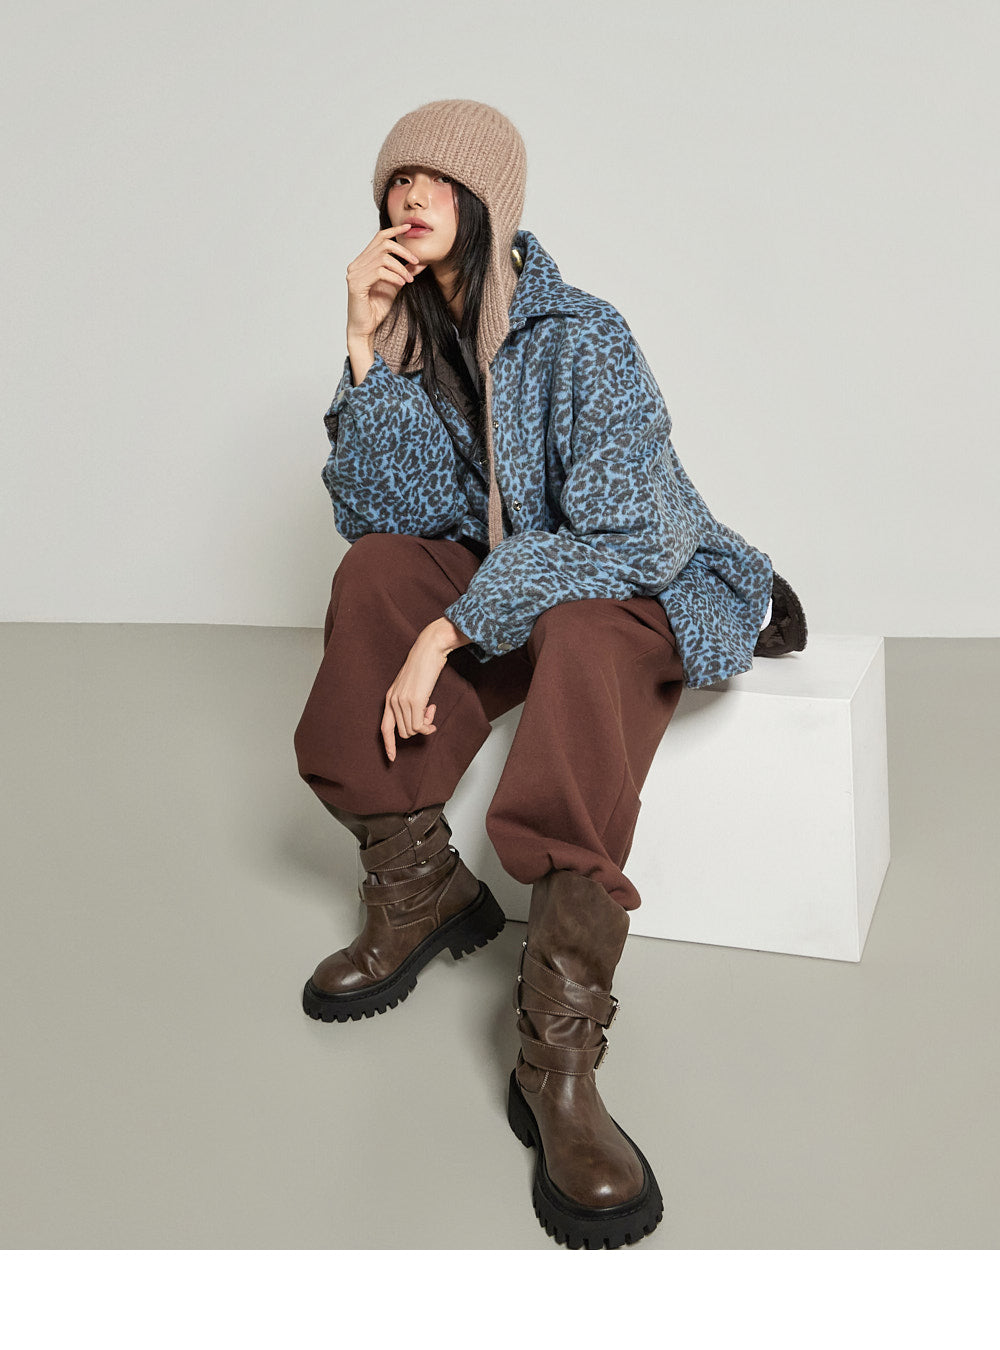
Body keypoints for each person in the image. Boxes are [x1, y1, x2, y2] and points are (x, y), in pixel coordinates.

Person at [293, 98, 807, 1250]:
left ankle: (557, 1056)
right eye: (395, 182)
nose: (408, 197)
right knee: (377, 573)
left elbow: (628, 538)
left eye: (435, 179)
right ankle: (418, 889)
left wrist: (450, 632)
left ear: (488, 201)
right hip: (518, 575)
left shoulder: (582, 334)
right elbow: (383, 518)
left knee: (579, 632)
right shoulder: (418, 342)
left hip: (636, 575)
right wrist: (363, 348)